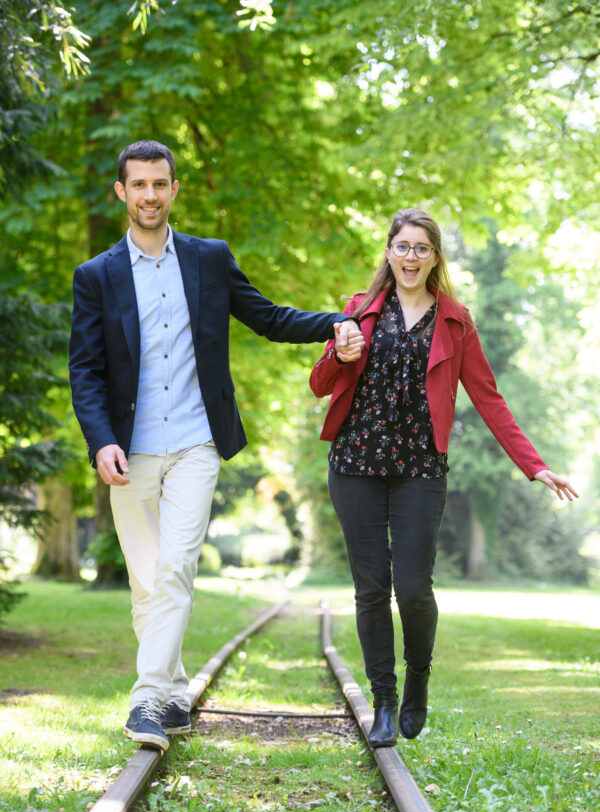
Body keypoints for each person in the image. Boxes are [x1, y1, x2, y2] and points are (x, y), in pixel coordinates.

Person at [69, 139, 364, 752]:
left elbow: (266, 316)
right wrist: (100, 442)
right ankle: (174, 691)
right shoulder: (96, 276)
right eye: (139, 185)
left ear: (175, 190)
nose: (150, 195)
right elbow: (86, 371)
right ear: (121, 193)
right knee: (148, 582)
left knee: (176, 568)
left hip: (197, 443)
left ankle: (146, 699)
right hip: (130, 450)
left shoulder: (208, 259)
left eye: (160, 183)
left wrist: (336, 323)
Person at [310, 208, 578, 748]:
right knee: (370, 588)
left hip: (419, 470)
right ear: (389, 252)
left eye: (422, 249)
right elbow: (320, 384)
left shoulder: (455, 320)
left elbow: (488, 397)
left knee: (412, 587)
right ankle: (383, 702)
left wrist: (535, 465)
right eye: (403, 247)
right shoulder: (358, 311)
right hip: (356, 463)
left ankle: (417, 680)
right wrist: (340, 354)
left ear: (435, 257)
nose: (411, 257)